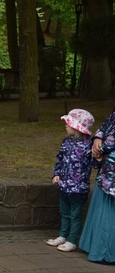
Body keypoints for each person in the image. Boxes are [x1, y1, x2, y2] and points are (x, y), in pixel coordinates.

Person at [47, 109, 96, 252]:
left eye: (68, 123)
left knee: (75, 215)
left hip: (78, 188)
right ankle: (63, 235)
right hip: (64, 185)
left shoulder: (88, 145)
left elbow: (94, 164)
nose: (66, 126)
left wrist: (98, 158)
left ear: (76, 127)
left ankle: (72, 240)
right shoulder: (66, 142)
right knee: (64, 212)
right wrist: (56, 174)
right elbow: (60, 159)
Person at [79, 108, 115, 263]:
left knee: (108, 212)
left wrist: (101, 149)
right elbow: (106, 126)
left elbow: (112, 138)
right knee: (103, 208)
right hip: (108, 169)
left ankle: (106, 252)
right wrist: (97, 139)